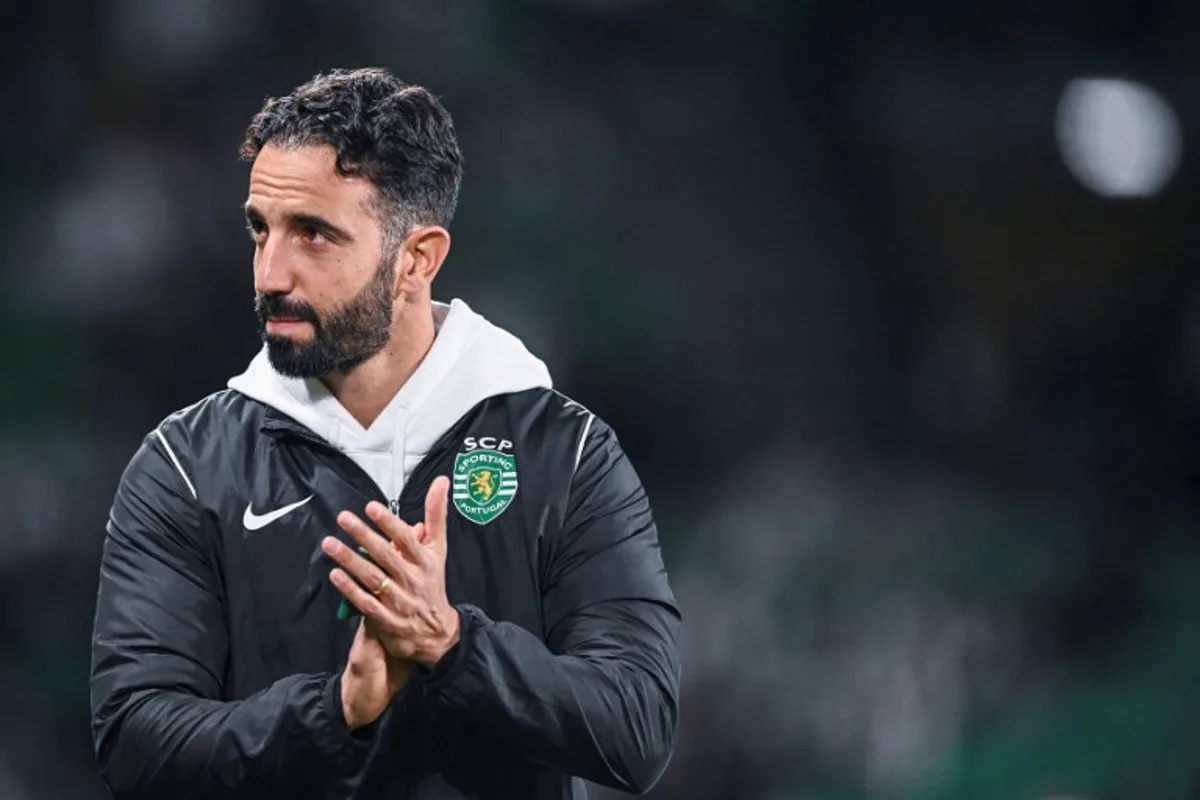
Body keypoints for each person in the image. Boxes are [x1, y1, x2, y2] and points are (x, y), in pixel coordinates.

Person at [89, 67, 680, 800]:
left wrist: (455, 648)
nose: (271, 273)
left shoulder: (566, 453)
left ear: (417, 259)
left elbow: (639, 728)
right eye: (261, 229)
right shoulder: (185, 467)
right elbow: (136, 747)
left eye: (314, 234)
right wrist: (336, 712)